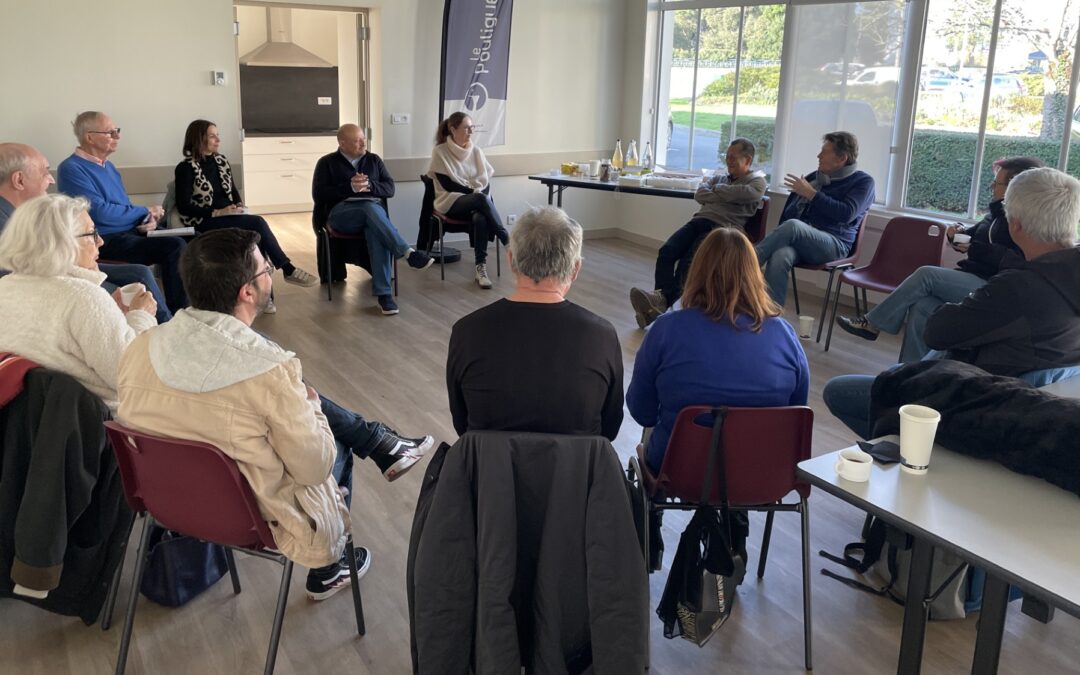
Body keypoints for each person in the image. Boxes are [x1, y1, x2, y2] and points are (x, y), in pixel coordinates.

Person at [116, 228, 436, 600]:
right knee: (338, 447)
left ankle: (381, 444)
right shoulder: (269, 370)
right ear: (247, 292)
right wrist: (312, 408)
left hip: (166, 501)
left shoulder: (139, 347)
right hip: (250, 514)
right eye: (265, 266)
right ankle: (329, 570)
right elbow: (315, 467)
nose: (270, 268)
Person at [824, 167, 1080, 439]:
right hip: (1029, 398)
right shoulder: (1065, 275)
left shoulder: (1018, 287)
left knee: (838, 391)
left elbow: (937, 333)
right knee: (924, 309)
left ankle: (910, 446)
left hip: (974, 401)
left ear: (1015, 224)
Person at [627, 227, 809, 472]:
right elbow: (795, 413)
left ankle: (657, 505)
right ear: (755, 274)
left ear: (697, 272)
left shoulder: (665, 330)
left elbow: (642, 411)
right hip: (760, 470)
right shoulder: (785, 334)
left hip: (680, 467)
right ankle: (736, 507)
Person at [836, 156, 1044, 362]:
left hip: (992, 285)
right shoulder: (996, 212)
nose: (991, 186)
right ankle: (909, 375)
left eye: (996, 182)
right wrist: (958, 234)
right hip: (972, 275)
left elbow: (1013, 259)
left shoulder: (1024, 222)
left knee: (927, 275)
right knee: (923, 307)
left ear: (1015, 187)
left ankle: (872, 323)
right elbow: (978, 234)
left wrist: (974, 248)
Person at [447, 206, 623, 440]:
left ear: (511, 260)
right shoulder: (602, 335)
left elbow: (463, 425)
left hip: (488, 474)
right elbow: (609, 428)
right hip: (576, 475)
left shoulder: (466, 331)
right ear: (575, 269)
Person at [0, 194, 157, 412]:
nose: (100, 241)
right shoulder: (83, 298)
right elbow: (135, 379)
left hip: (33, 428)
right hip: (107, 429)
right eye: (92, 233)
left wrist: (112, 313)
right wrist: (142, 317)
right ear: (63, 241)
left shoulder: (5, 287)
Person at [0, 142, 171, 324]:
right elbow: (20, 282)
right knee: (135, 283)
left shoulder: (22, 211)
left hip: (66, 267)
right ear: (19, 180)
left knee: (140, 272)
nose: (51, 180)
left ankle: (166, 330)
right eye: (45, 172)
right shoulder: (6, 221)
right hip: (56, 284)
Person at [175, 118, 319, 315]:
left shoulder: (221, 161)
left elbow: (233, 193)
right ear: (199, 138)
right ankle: (285, 269)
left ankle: (267, 295)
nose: (218, 139)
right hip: (204, 221)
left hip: (228, 216)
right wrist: (217, 212)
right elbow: (184, 207)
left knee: (255, 235)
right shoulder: (185, 168)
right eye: (212, 136)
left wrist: (238, 207)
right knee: (257, 223)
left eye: (218, 135)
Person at [56, 111, 188, 312]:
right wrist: (142, 210)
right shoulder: (71, 168)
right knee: (174, 246)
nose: (117, 137)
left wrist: (146, 219)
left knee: (192, 239)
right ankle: (175, 316)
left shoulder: (109, 167)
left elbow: (123, 207)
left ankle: (190, 311)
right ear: (89, 137)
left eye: (116, 131)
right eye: (110, 133)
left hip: (131, 232)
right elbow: (100, 214)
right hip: (104, 239)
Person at [629, 138, 767, 328]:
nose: (728, 161)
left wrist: (716, 190)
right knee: (667, 251)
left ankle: (669, 312)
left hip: (721, 230)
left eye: (733, 157)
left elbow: (748, 194)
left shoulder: (757, 181)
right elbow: (699, 193)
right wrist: (726, 192)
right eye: (726, 157)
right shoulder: (720, 177)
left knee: (688, 263)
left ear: (748, 160)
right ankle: (662, 303)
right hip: (698, 221)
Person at [312, 124, 433, 315]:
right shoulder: (326, 163)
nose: (363, 143)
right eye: (357, 140)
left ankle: (385, 296)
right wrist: (349, 188)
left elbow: (390, 189)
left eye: (363, 138)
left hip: (372, 214)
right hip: (340, 215)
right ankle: (408, 253)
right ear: (342, 143)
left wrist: (370, 185)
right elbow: (319, 195)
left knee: (374, 228)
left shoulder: (374, 160)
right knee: (370, 209)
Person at [755, 131, 875, 306]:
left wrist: (812, 194)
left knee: (793, 226)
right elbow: (788, 214)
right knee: (780, 256)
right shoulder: (815, 178)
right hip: (802, 241)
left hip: (835, 244)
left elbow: (846, 213)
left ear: (842, 158)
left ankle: (746, 264)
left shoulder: (863, 182)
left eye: (825, 152)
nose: (818, 156)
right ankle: (771, 316)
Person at [427, 112, 509, 289]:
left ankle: (481, 269)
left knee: (481, 216)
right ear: (453, 129)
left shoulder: (477, 151)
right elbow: (448, 185)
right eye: (466, 128)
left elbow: (486, 181)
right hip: (450, 201)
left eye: (472, 127)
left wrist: (477, 194)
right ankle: (506, 239)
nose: (471, 132)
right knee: (480, 199)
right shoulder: (440, 152)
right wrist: (474, 193)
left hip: (476, 202)